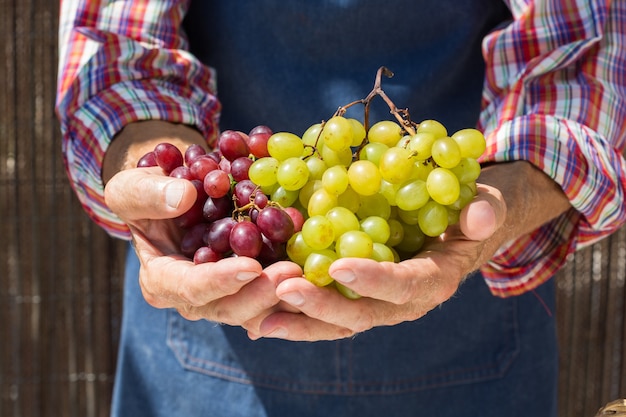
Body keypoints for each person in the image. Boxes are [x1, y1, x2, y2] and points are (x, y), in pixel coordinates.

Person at [55, 1, 626, 416]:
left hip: (472, 324)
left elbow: (581, 59)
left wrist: (510, 195)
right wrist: (159, 173)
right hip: (205, 322)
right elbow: (118, 52)